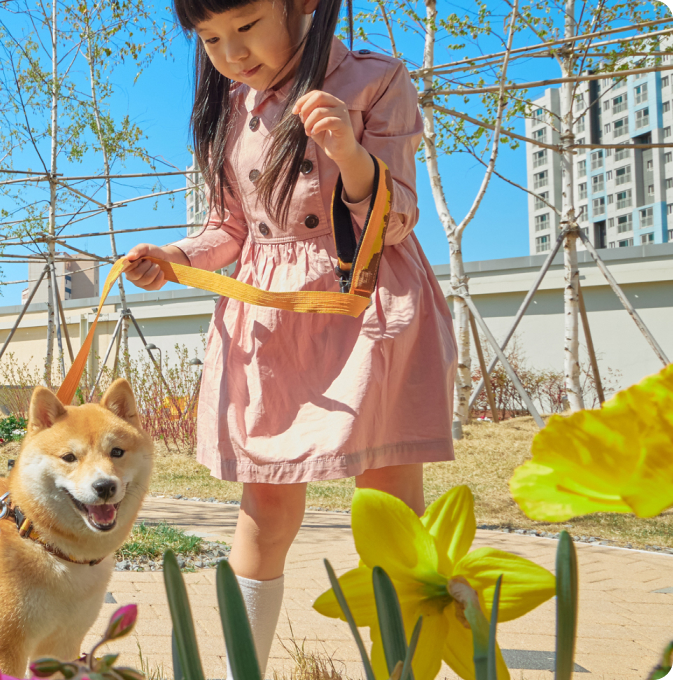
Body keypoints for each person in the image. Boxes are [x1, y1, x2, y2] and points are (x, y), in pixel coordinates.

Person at [122, 0, 456, 674]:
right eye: (210, 39)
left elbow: (393, 221)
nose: (231, 54)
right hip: (272, 327)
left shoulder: (376, 79)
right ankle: (243, 671)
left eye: (245, 26)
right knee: (264, 513)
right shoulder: (229, 109)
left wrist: (348, 154)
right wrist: (176, 257)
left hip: (364, 313)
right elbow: (230, 230)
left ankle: (401, 671)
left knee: (391, 513)